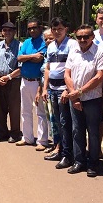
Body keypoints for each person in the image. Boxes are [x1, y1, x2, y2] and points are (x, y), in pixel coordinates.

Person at [64, 25, 103, 177]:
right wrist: (74, 95)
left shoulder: (100, 52)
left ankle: (93, 163)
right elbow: (67, 74)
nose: (82, 39)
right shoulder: (73, 51)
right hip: (75, 98)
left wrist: (80, 92)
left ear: (92, 37)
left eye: (86, 37)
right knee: (77, 130)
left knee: (93, 132)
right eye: (79, 37)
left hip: (92, 99)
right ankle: (79, 161)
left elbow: (99, 76)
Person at [40, 18, 77, 169]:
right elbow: (48, 68)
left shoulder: (72, 44)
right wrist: (45, 88)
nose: (57, 32)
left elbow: (75, 68)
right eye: (54, 29)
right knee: (56, 122)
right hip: (52, 89)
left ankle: (68, 155)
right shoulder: (50, 46)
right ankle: (60, 149)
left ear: (66, 29)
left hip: (64, 90)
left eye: (60, 29)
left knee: (65, 122)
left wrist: (68, 89)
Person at [16, 19, 49, 149]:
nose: (32, 30)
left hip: (37, 82)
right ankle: (27, 137)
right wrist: (32, 56)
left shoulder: (44, 42)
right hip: (24, 80)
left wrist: (27, 57)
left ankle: (42, 141)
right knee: (25, 111)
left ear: (40, 28)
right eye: (30, 28)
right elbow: (19, 58)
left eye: (34, 27)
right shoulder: (26, 42)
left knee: (40, 112)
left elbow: (40, 59)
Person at [0, 22, 22, 142]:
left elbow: (21, 67)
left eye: (10, 30)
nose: (7, 32)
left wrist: (9, 77)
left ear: (14, 32)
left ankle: (15, 133)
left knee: (14, 108)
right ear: (2, 32)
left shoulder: (19, 46)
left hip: (13, 81)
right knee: (0, 108)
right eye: (5, 30)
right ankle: (2, 132)